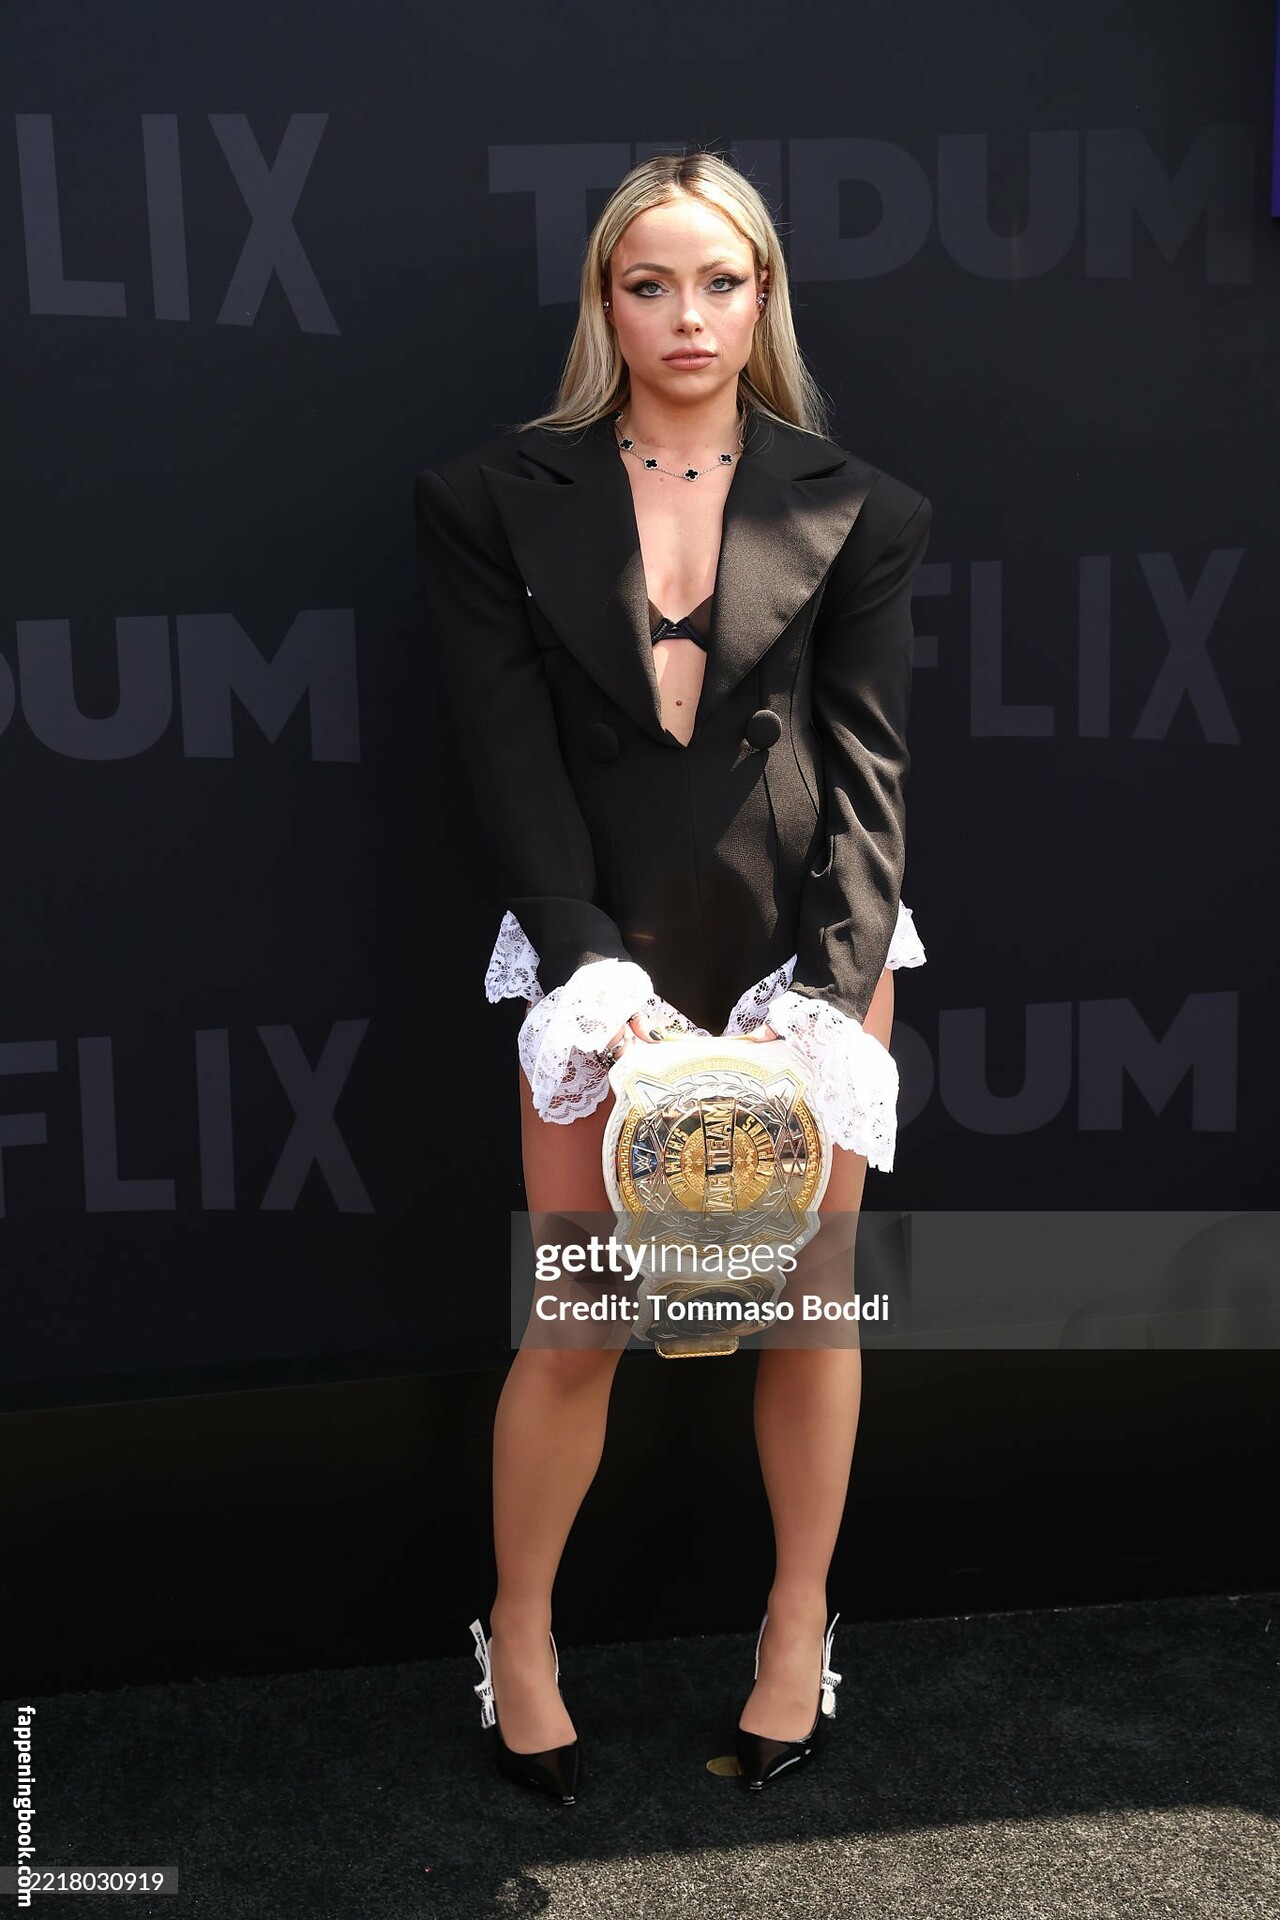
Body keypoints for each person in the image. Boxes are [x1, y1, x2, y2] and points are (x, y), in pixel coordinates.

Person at [413, 149, 932, 1801]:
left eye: (720, 282)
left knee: (808, 1307)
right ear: (607, 302)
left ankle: (798, 1627)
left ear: (764, 295)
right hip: (596, 949)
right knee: (579, 1313)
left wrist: (825, 1001)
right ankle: (519, 1636)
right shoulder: (492, 498)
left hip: (807, 950)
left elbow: (870, 780)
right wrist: (594, 979)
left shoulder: (862, 506)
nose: (688, 316)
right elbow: (510, 766)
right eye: (651, 284)